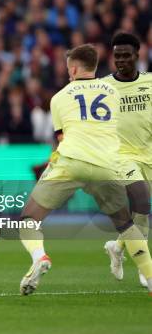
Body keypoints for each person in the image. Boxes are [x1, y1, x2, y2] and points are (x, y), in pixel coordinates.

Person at [18, 44, 152, 295]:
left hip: (72, 162)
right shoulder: (113, 92)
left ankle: (39, 257)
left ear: (75, 68)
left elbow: (62, 139)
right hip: (107, 164)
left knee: (29, 219)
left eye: (69, 68)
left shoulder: (59, 98)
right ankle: (150, 276)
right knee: (125, 224)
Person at [101, 33, 152, 287]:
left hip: (148, 155)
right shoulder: (102, 87)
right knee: (142, 203)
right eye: (117, 55)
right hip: (120, 158)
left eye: (126, 55)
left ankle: (118, 246)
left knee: (140, 212)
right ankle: (146, 268)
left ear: (137, 55)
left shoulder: (150, 83)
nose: (120, 60)